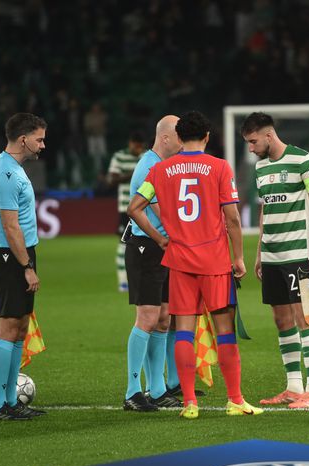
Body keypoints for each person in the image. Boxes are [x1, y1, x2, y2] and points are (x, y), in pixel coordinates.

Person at [129, 110, 263, 420]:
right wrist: (238, 257)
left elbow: (134, 208)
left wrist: (161, 239)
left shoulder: (160, 170)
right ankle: (235, 400)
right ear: (206, 136)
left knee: (184, 333)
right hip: (214, 262)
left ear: (179, 137)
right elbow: (232, 218)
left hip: (179, 263)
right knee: (225, 331)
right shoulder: (219, 167)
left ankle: (189, 403)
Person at [241, 112, 309, 409]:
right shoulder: (260, 167)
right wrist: (259, 253)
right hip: (272, 256)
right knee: (281, 320)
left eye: (253, 141)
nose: (251, 148)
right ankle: (293, 387)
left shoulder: (304, 161)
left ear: (269, 135)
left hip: (300, 253)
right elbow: (265, 210)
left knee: (306, 318)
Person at [0, 113, 48, 420]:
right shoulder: (7, 173)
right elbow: (10, 227)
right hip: (9, 258)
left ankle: (11, 400)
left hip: (19, 255)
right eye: (39, 139)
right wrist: (27, 265)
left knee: (21, 326)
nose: (43, 145)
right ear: (24, 139)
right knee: (8, 327)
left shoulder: (12, 168)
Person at [121, 116, 183, 412]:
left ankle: (157, 389)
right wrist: (165, 238)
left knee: (163, 318)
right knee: (147, 317)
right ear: (166, 138)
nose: (183, 143)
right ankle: (132, 391)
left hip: (162, 248)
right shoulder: (149, 166)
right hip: (147, 247)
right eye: (179, 137)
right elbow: (153, 211)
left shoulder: (162, 165)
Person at [108, 132, 146, 292]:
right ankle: (123, 281)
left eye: (140, 147)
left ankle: (140, 278)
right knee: (124, 243)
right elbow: (111, 180)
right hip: (126, 209)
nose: (138, 150)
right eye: (135, 146)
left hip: (145, 208)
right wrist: (135, 173)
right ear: (130, 143)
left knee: (144, 243)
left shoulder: (145, 156)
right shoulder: (119, 157)